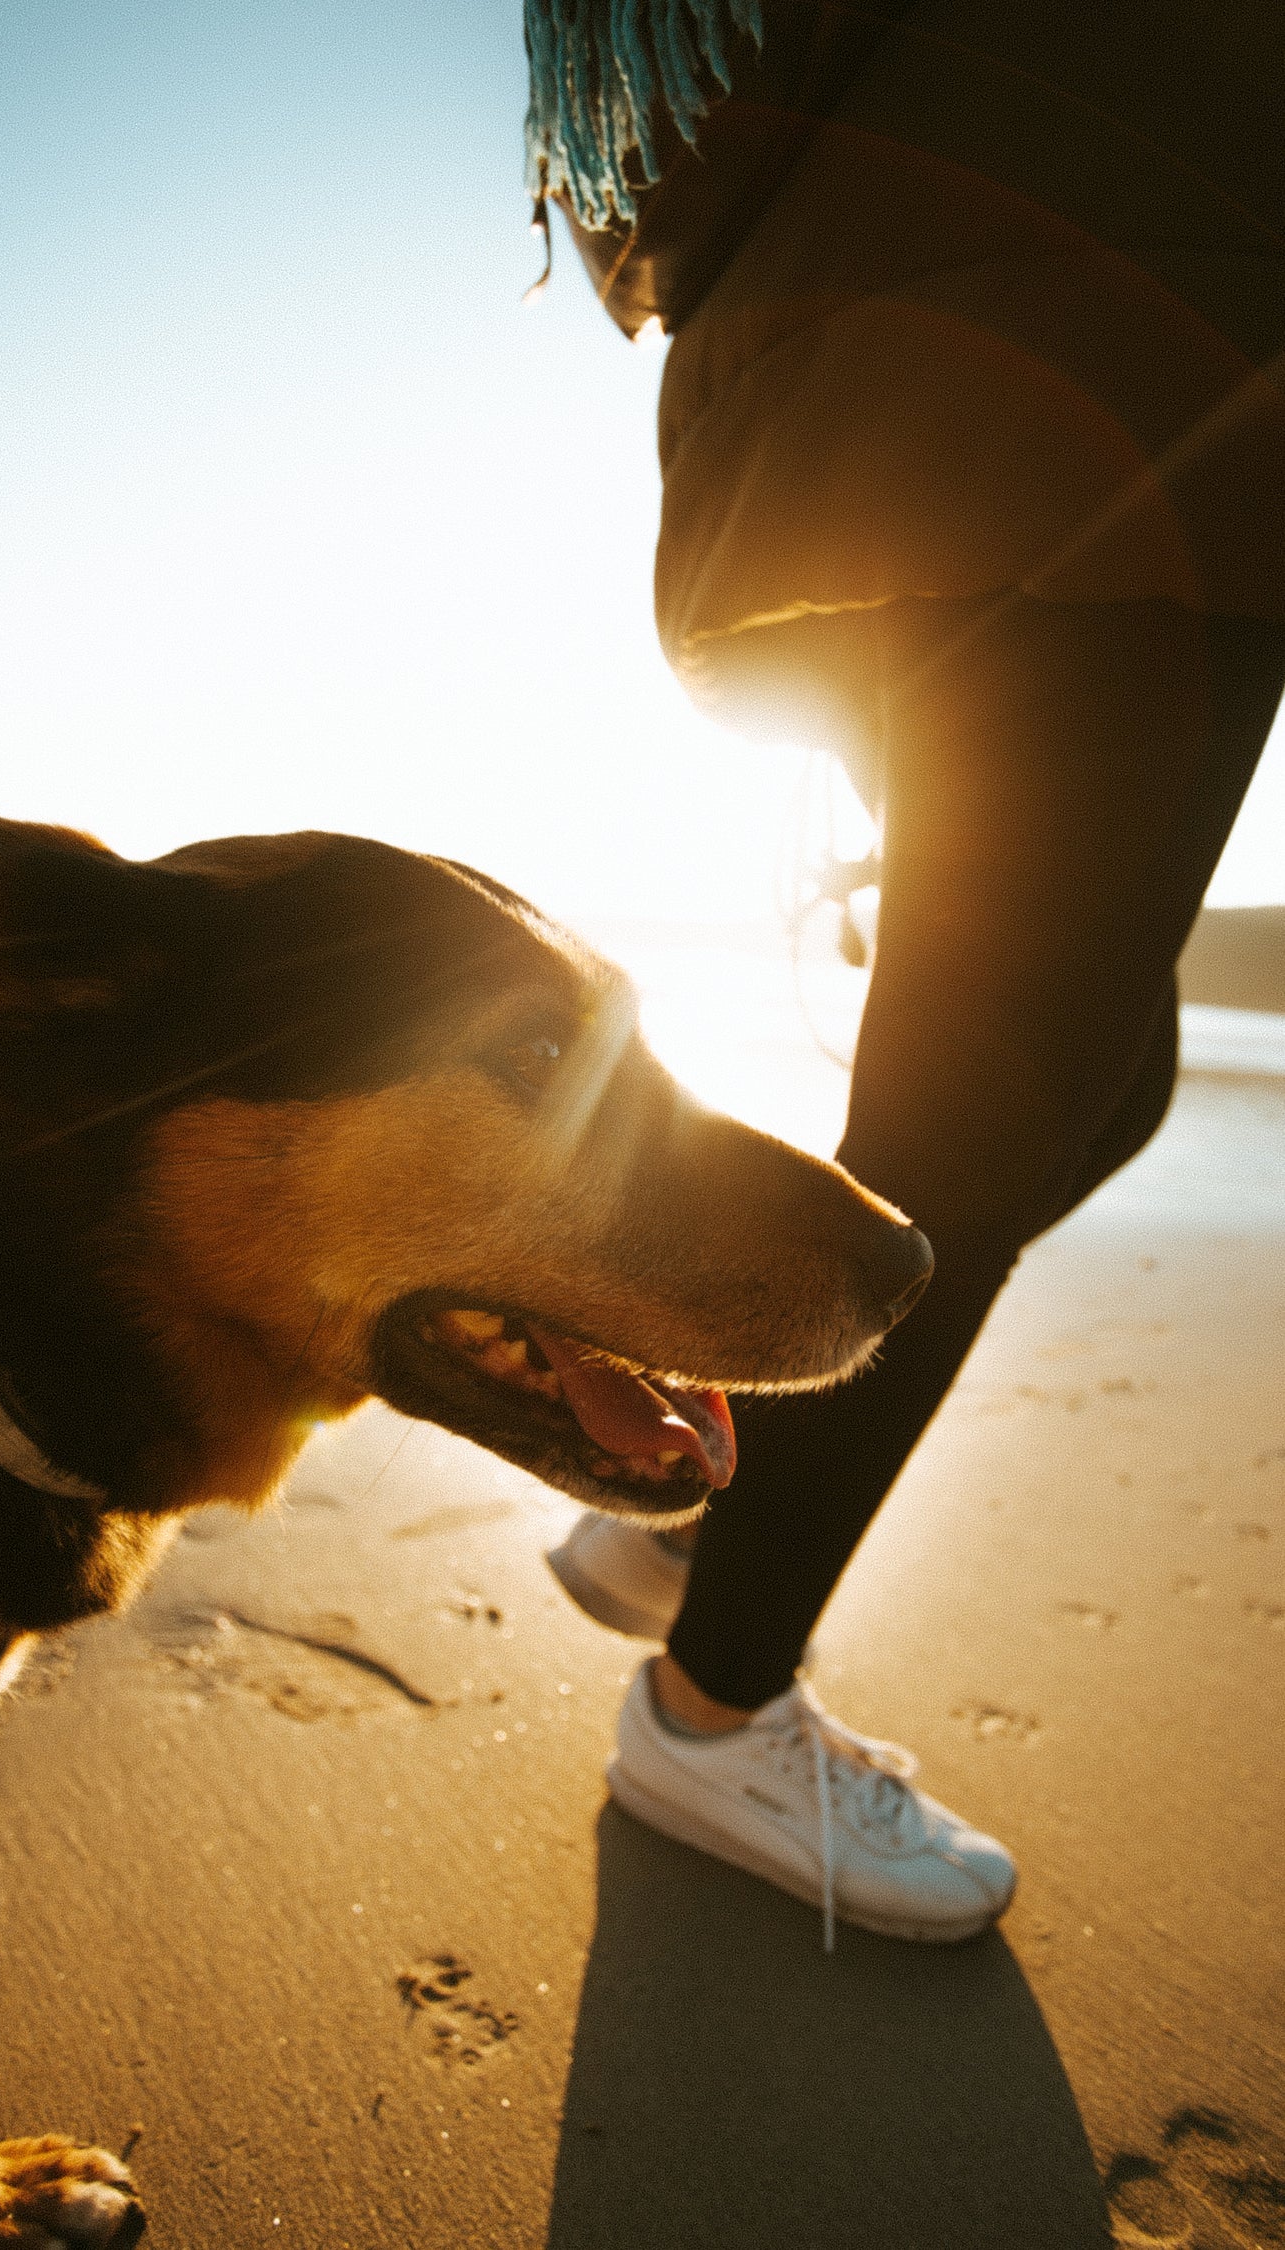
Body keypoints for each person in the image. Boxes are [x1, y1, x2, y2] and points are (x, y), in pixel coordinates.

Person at [525, 0, 1285, 1945]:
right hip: (1121, 345)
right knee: (999, 1085)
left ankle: (708, 1508)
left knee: (1085, 1080)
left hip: (913, 377)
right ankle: (716, 1705)